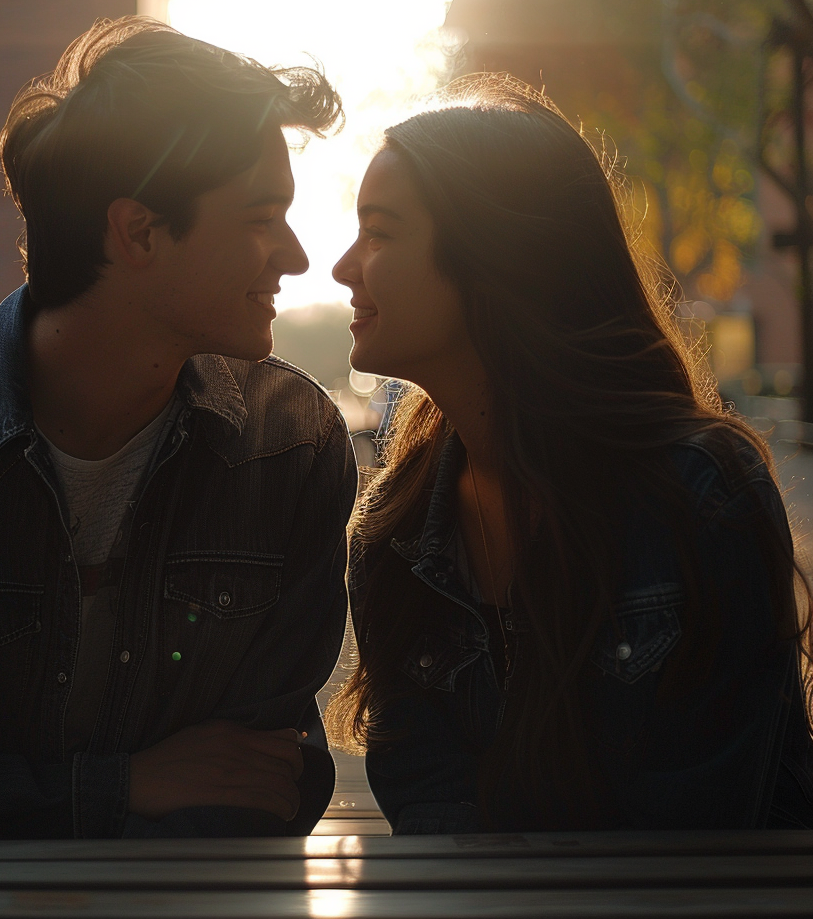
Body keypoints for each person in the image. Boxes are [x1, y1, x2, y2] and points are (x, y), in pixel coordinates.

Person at [0, 17, 357, 841]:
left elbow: (265, 782)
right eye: (260, 217)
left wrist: (11, 799)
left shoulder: (291, 443)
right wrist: (122, 790)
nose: (297, 256)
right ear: (137, 232)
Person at [327, 73, 813, 833]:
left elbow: (708, 826)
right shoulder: (394, 535)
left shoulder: (699, 495)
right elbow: (431, 812)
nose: (344, 267)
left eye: (380, 232)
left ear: (494, 257)